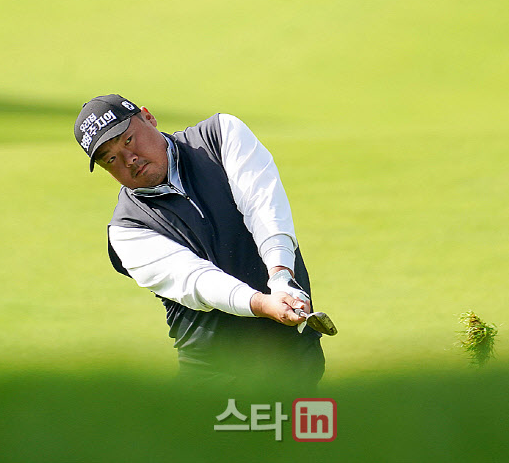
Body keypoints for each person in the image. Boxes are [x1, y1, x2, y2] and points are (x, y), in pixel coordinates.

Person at [74, 94, 325, 384]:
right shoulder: (127, 231)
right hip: (215, 375)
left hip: (296, 354)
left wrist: (281, 278)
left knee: (307, 427)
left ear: (148, 117)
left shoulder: (221, 135)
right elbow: (200, 283)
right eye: (111, 159)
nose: (129, 159)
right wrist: (262, 303)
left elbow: (265, 210)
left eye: (129, 140)